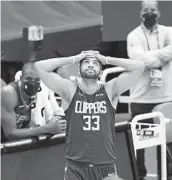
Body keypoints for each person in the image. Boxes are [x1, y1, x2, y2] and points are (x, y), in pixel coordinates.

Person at [34, 50, 144, 180]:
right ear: (79, 71)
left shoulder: (110, 90)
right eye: (86, 62)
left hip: (105, 166)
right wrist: (74, 58)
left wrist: (106, 59)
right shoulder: (69, 90)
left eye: (95, 63)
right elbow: (39, 67)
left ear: (101, 72)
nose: (91, 65)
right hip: (76, 168)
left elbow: (139, 67)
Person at [127, 1, 172, 179]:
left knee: (166, 143)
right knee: (142, 145)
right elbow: (139, 61)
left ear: (158, 13)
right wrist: (162, 58)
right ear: (141, 14)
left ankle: (166, 176)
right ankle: (139, 176)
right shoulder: (133, 36)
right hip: (142, 100)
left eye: (152, 10)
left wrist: (150, 58)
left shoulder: (169, 32)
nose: (149, 13)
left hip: (166, 98)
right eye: (146, 10)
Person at [1, 62, 66, 141]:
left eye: (37, 80)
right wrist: (45, 129)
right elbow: (10, 133)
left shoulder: (36, 93)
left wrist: (52, 124)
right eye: (29, 79)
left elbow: (25, 123)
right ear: (21, 78)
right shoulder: (9, 93)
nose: (33, 83)